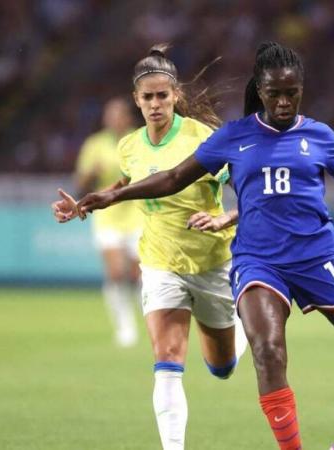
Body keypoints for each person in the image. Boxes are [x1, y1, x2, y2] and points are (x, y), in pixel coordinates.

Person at [72, 42, 334, 450]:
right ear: (260, 90)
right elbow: (173, 178)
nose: (284, 102)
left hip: (317, 257)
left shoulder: (319, 136)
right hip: (258, 262)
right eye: (275, 93)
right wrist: (114, 196)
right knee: (267, 350)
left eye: (292, 93)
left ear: (301, 89)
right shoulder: (235, 137)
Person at [52, 45, 247, 450]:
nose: (156, 104)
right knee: (167, 359)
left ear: (176, 95)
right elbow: (125, 183)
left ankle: (239, 334)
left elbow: (248, 193)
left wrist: (226, 218)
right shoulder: (129, 146)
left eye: (163, 95)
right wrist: (87, 201)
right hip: (159, 262)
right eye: (148, 97)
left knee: (221, 367)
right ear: (136, 100)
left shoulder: (204, 139)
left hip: (212, 264)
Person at [74, 97, 142, 347]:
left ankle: (145, 316)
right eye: (109, 115)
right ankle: (125, 326)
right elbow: (80, 183)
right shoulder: (95, 144)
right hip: (107, 215)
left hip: (137, 211)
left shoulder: (139, 139)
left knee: (137, 274)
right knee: (115, 273)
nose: (113, 120)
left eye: (118, 115)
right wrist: (91, 173)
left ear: (127, 117)